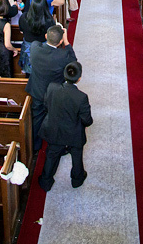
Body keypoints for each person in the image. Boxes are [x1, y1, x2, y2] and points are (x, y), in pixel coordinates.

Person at [38, 62, 93, 192]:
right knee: (77, 154)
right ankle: (77, 179)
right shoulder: (81, 97)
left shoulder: (52, 88)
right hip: (74, 133)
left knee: (52, 154)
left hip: (54, 130)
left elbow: (46, 106)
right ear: (79, 78)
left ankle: (46, 180)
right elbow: (87, 120)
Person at [27, 25, 77, 151]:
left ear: (45, 36)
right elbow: (74, 62)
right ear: (60, 41)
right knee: (56, 118)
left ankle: (35, 145)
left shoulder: (35, 47)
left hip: (37, 90)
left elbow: (37, 43)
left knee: (37, 118)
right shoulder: (62, 55)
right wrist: (67, 42)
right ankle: (55, 145)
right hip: (53, 93)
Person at [19, 0, 55, 75]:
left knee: (29, 74)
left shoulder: (23, 17)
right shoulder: (49, 21)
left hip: (28, 48)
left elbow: (21, 31)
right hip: (43, 49)